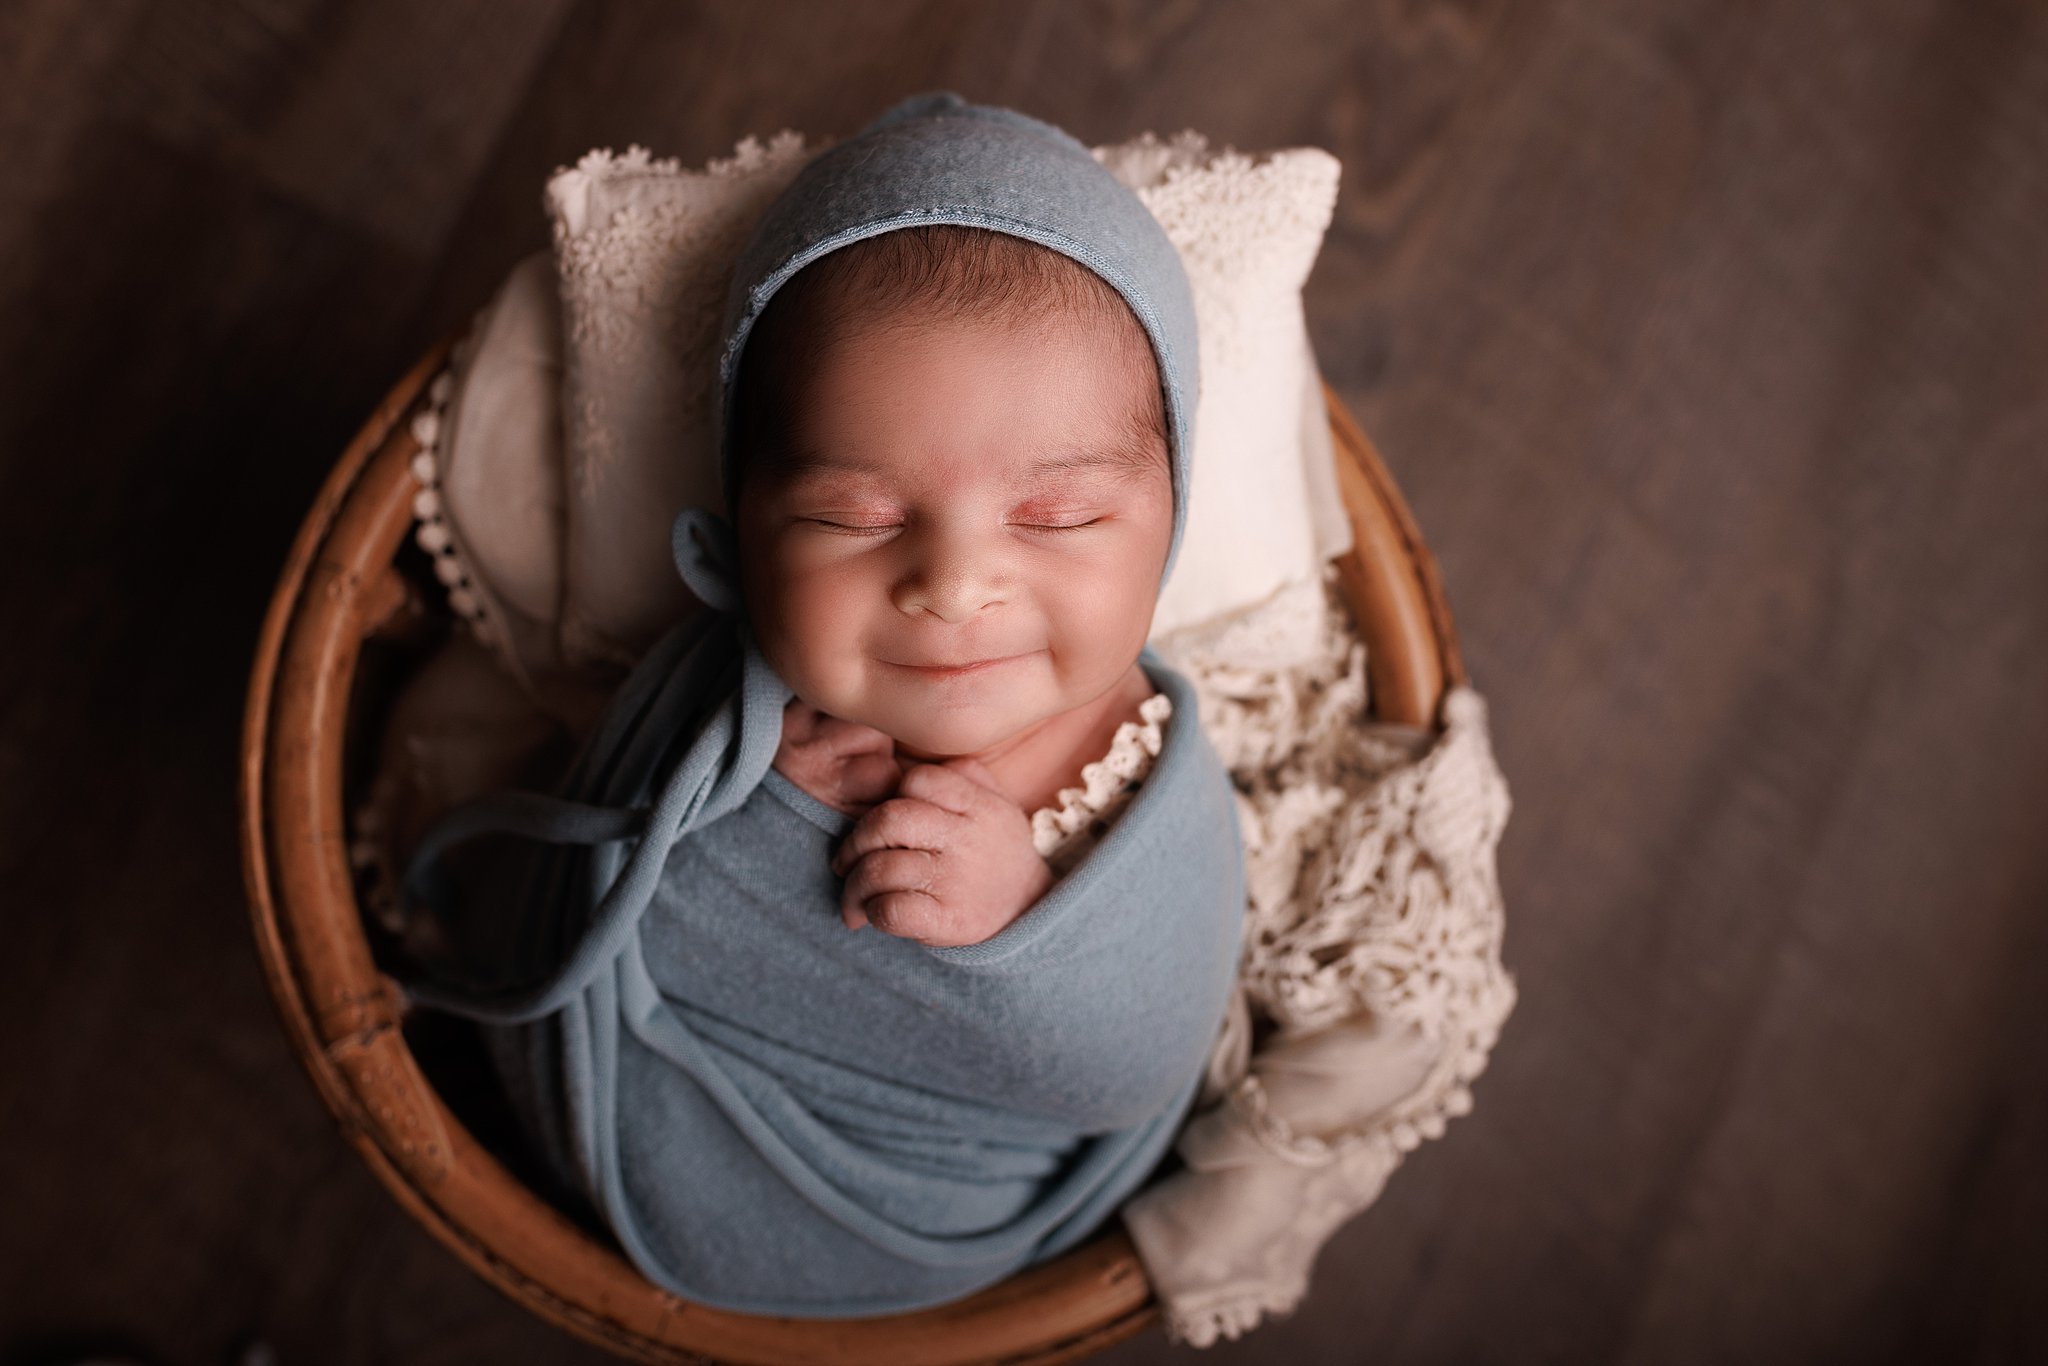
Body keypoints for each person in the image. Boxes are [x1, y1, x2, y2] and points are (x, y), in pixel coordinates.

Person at [405, 92, 1246, 1317]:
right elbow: (591, 874)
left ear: (1168, 521)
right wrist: (735, 809)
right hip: (634, 1109)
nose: (953, 586)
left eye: (1057, 517)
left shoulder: (1147, 770)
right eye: (850, 518)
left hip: (924, 1201)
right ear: (742, 528)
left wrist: (1016, 928)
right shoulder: (717, 692)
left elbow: (1138, 1062)